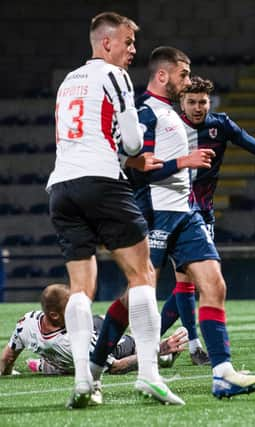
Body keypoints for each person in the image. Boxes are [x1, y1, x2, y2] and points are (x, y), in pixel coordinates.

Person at [90, 47, 255, 399]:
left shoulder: (169, 114)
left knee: (214, 284)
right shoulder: (145, 113)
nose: (187, 80)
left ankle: (223, 373)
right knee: (133, 300)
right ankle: (95, 368)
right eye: (183, 74)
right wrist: (184, 161)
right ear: (163, 76)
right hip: (154, 215)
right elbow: (132, 164)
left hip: (184, 214)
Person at [46, 12, 183, 408]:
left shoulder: (66, 82)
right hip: (102, 182)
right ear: (106, 43)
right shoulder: (114, 76)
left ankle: (83, 381)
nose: (133, 51)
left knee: (81, 287)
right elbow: (135, 143)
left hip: (62, 188)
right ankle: (149, 376)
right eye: (127, 42)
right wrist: (132, 154)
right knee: (143, 274)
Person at [157, 75, 255, 366]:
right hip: (174, 209)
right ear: (181, 102)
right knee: (186, 279)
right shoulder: (168, 125)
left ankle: (147, 339)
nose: (198, 107)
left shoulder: (220, 125)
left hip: (204, 212)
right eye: (192, 101)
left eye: (203, 102)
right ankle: (195, 345)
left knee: (197, 280)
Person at [0, 284, 187, 385]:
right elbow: (116, 367)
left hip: (72, 343)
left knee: (99, 320)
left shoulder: (27, 322)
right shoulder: (72, 342)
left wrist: (9, 373)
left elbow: (7, 358)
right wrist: (158, 349)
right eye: (72, 308)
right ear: (55, 314)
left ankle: (48, 365)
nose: (78, 310)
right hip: (117, 348)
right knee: (138, 344)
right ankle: (166, 354)